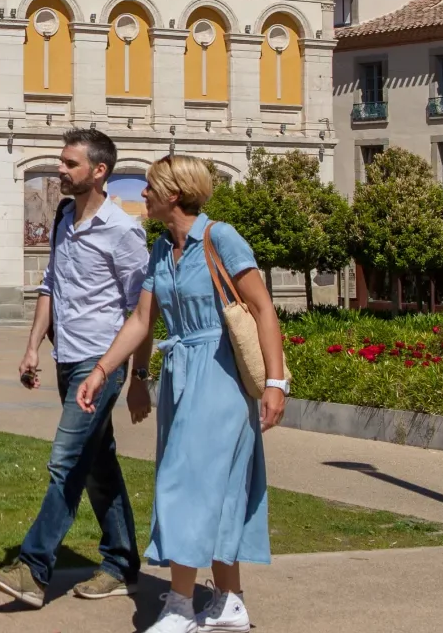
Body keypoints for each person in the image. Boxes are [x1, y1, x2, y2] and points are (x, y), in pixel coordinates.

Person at [75, 154, 289, 633]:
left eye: (150, 187)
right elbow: (141, 322)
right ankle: (230, 602)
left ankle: (180, 604)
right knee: (215, 486)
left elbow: (263, 308)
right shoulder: (160, 250)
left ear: (174, 194)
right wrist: (114, 372)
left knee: (184, 482)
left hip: (221, 375)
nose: (143, 195)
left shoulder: (220, 238)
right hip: (180, 374)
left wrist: (276, 382)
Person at [0, 128, 150, 609]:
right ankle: (121, 565)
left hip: (102, 363)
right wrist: (33, 346)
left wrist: (136, 377)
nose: (60, 169)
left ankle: (34, 570)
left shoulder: (123, 231)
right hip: (67, 357)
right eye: (60, 161)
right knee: (98, 466)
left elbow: (143, 311)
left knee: (66, 460)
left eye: (70, 164)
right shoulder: (63, 218)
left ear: (99, 172)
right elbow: (50, 286)